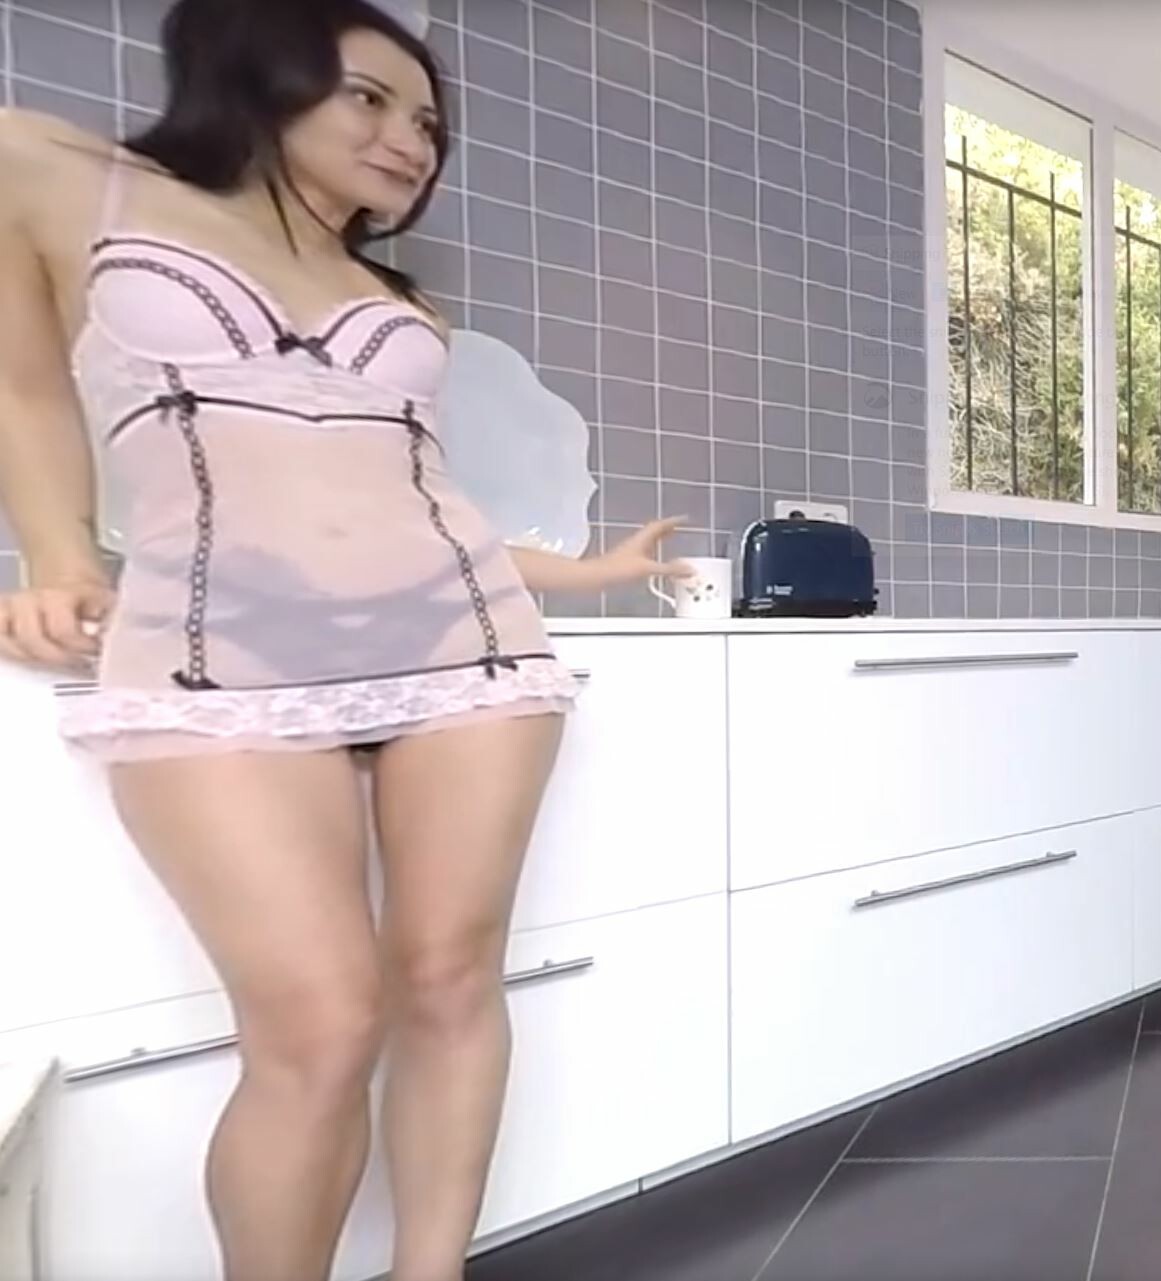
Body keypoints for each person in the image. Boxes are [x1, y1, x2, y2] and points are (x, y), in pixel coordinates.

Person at [0, 2, 689, 1277]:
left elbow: (410, 500)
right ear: (261, 72)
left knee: (450, 980)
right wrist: (56, 557)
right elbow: (23, 382)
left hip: (467, 646)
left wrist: (592, 572)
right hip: (215, 656)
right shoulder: (57, 174)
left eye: (428, 122)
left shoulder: (397, 296)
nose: (410, 139)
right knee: (317, 1026)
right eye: (369, 98)